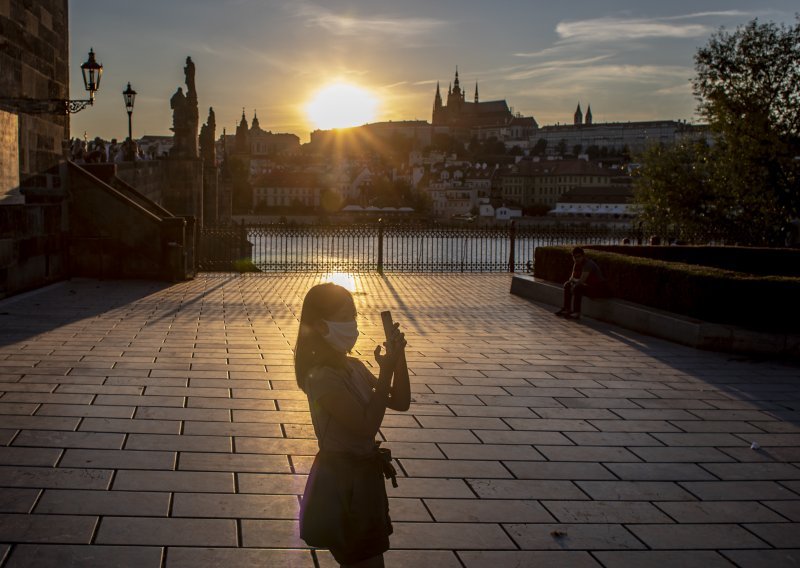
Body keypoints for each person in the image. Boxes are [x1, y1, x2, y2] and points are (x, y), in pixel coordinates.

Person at [295, 282, 411, 567]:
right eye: (346, 318)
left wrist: (398, 358)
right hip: (343, 484)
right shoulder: (321, 377)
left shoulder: (354, 366)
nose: (353, 325)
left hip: (365, 480)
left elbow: (400, 400)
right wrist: (385, 370)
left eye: (354, 317)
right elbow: (366, 425)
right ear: (322, 327)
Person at [555, 246, 609, 319]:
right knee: (567, 284)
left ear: (583, 256)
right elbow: (571, 278)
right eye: (574, 257)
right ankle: (566, 309)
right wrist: (571, 283)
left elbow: (581, 281)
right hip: (589, 286)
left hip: (598, 289)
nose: (577, 259)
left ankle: (576, 313)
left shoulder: (588, 264)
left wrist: (573, 282)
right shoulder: (576, 264)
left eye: (579, 256)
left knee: (578, 287)